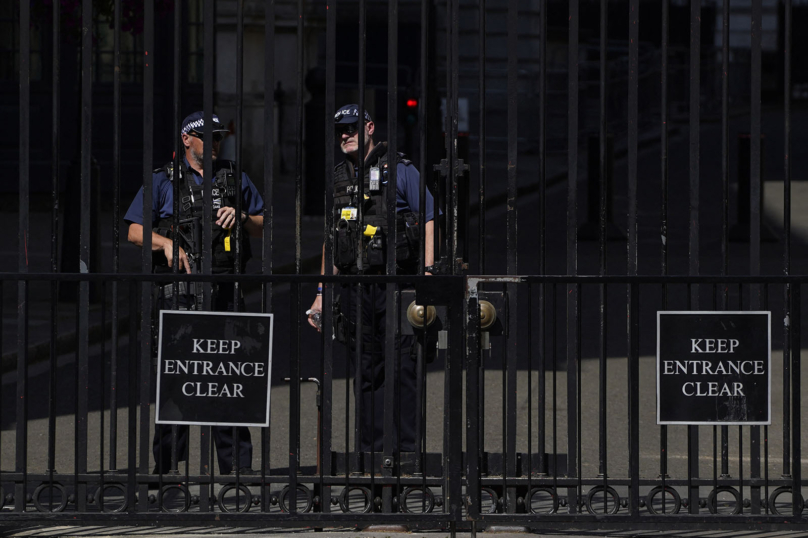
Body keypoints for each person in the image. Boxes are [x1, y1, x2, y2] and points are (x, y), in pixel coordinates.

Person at [124, 111, 265, 476]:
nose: (214, 143)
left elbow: (264, 225)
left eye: (218, 137)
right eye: (207, 137)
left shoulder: (234, 177)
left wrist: (243, 217)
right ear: (187, 140)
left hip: (225, 290)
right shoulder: (162, 181)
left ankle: (237, 467)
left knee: (230, 376)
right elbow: (135, 233)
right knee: (176, 378)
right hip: (180, 292)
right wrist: (167, 244)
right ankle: (167, 468)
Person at [307, 104, 435, 453]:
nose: (345, 135)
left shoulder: (400, 169)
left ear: (370, 127)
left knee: (403, 370)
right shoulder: (338, 177)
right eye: (340, 131)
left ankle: (408, 455)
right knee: (365, 371)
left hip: (398, 285)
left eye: (351, 128)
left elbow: (428, 218)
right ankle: (370, 457)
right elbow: (332, 240)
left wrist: (425, 273)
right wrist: (322, 293)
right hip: (354, 287)